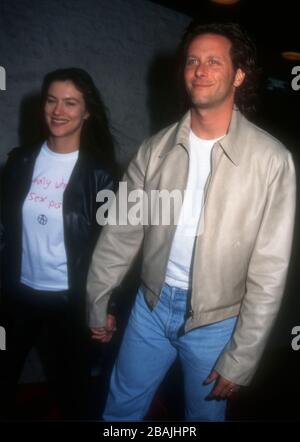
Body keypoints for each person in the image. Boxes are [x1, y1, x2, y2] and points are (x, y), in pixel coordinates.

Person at [87, 22, 296, 421]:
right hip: (150, 306)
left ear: (238, 75)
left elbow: (270, 270)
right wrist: (97, 299)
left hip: (218, 321)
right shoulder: (154, 150)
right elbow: (121, 232)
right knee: (119, 411)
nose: (200, 69)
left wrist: (242, 356)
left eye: (213, 61)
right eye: (192, 61)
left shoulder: (272, 161)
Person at [0, 67, 116, 419]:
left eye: (70, 103)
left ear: (87, 112)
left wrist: (109, 306)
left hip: (71, 298)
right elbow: (5, 228)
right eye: (52, 100)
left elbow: (112, 246)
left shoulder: (103, 174)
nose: (58, 110)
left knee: (74, 389)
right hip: (18, 293)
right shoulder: (21, 160)